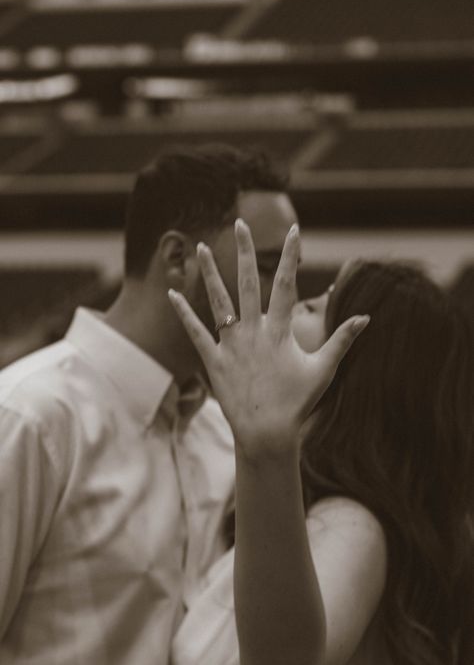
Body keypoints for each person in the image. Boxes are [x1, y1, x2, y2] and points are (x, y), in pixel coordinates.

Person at [0, 144, 299, 665]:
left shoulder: (226, 431)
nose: (286, 296)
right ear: (178, 259)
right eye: (269, 267)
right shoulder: (32, 414)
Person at [169, 221, 474, 665]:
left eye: (318, 309)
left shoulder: (352, 525)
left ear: (360, 375)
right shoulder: (316, 512)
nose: (295, 304)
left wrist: (266, 445)